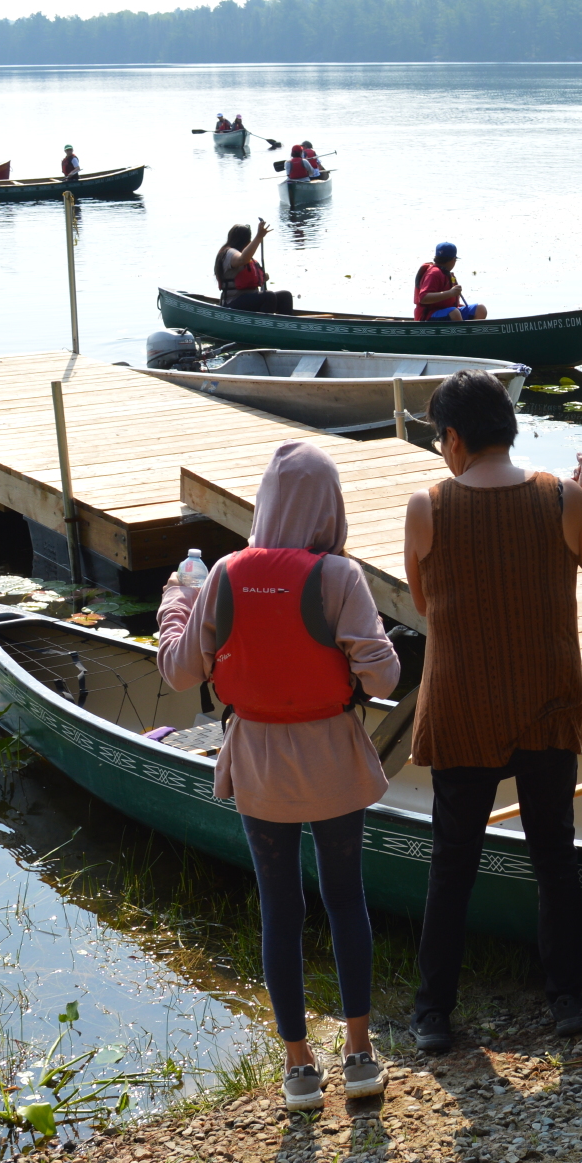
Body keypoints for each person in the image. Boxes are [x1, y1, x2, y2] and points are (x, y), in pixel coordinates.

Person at [155, 441, 401, 1111]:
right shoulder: (340, 576)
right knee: (345, 899)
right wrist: (360, 643)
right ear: (331, 507)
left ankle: (297, 1067)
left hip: (259, 765)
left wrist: (178, 601)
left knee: (280, 910)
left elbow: (179, 671)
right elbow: (384, 677)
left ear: (264, 502)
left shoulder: (227, 576)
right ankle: (358, 1054)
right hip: (334, 761)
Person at [404, 372, 582, 1052]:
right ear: (509, 428)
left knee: (453, 864)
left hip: (462, 707)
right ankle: (566, 1000)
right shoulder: (564, 498)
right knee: (552, 855)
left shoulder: (428, 506)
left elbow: (424, 604)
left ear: (453, 438)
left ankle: (432, 1014)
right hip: (545, 703)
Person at [215, 221, 292, 313]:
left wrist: (262, 277)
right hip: (232, 302)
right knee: (268, 296)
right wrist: (259, 237)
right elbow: (242, 260)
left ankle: (284, 325)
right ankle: (265, 325)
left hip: (250, 299)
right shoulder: (229, 253)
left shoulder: (244, 254)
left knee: (285, 296)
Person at [414, 243, 486, 321]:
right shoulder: (434, 273)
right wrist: (450, 293)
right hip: (427, 316)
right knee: (454, 312)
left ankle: (473, 332)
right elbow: (423, 298)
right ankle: (461, 332)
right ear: (453, 260)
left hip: (447, 311)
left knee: (480, 309)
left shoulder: (448, 274)